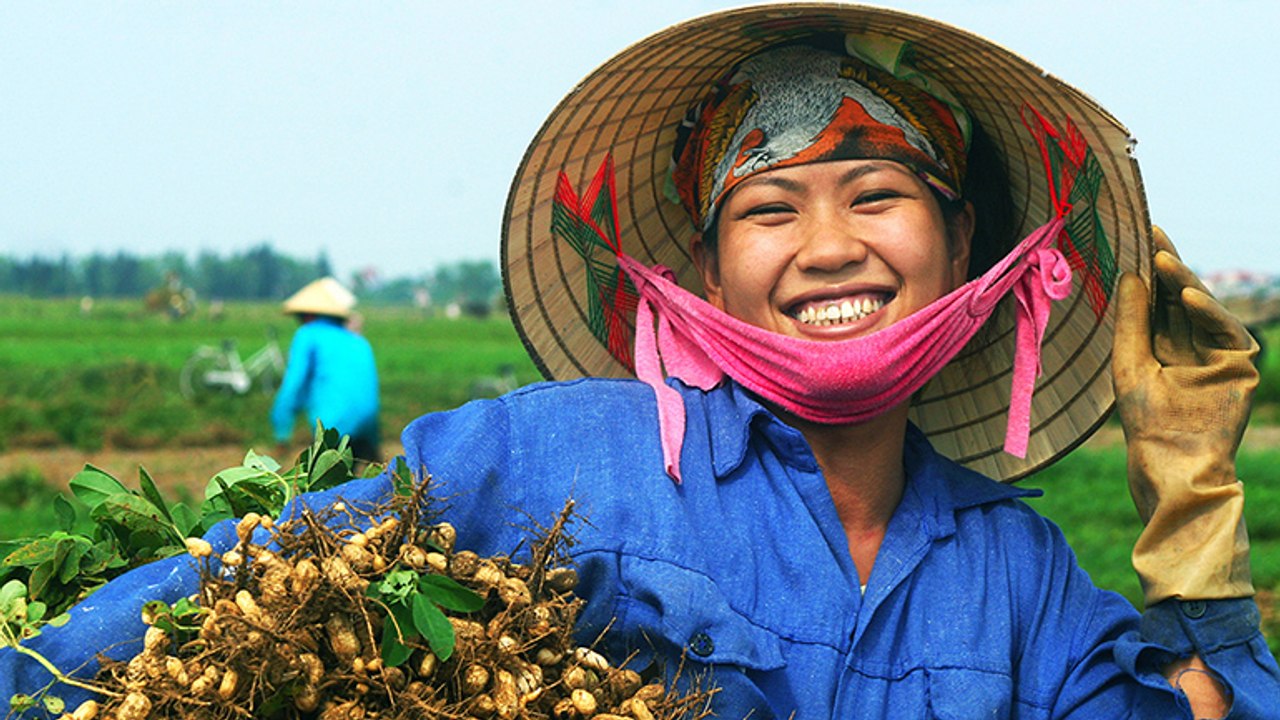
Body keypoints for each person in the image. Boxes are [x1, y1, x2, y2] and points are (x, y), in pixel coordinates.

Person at [2, 5, 1277, 718]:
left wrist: (1190, 503)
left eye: (877, 194)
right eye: (767, 210)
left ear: (966, 247)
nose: (828, 247)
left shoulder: (1016, 574)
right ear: (703, 272)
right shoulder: (543, 460)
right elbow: (190, 612)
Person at [271, 276, 381, 462]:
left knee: (328, 483)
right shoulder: (360, 342)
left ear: (310, 315)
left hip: (333, 426)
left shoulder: (307, 335)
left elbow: (294, 383)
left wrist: (282, 428)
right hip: (368, 424)